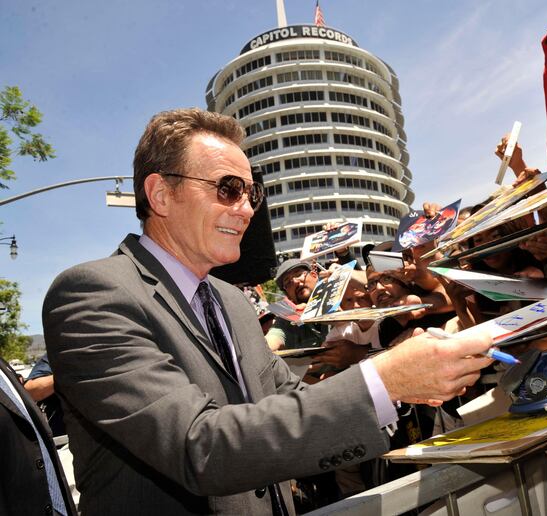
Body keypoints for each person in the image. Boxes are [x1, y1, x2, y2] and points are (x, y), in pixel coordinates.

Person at [42, 108, 493, 515]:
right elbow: (200, 447)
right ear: (160, 194)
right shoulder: (92, 295)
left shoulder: (232, 300)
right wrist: (385, 379)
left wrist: (402, 373)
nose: (245, 210)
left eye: (251, 193)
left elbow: (292, 400)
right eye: (227, 189)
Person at [1, 356, 76, 515]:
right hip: (64, 448)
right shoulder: (57, 355)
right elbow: (31, 389)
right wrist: (72, 374)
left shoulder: (3, 367)